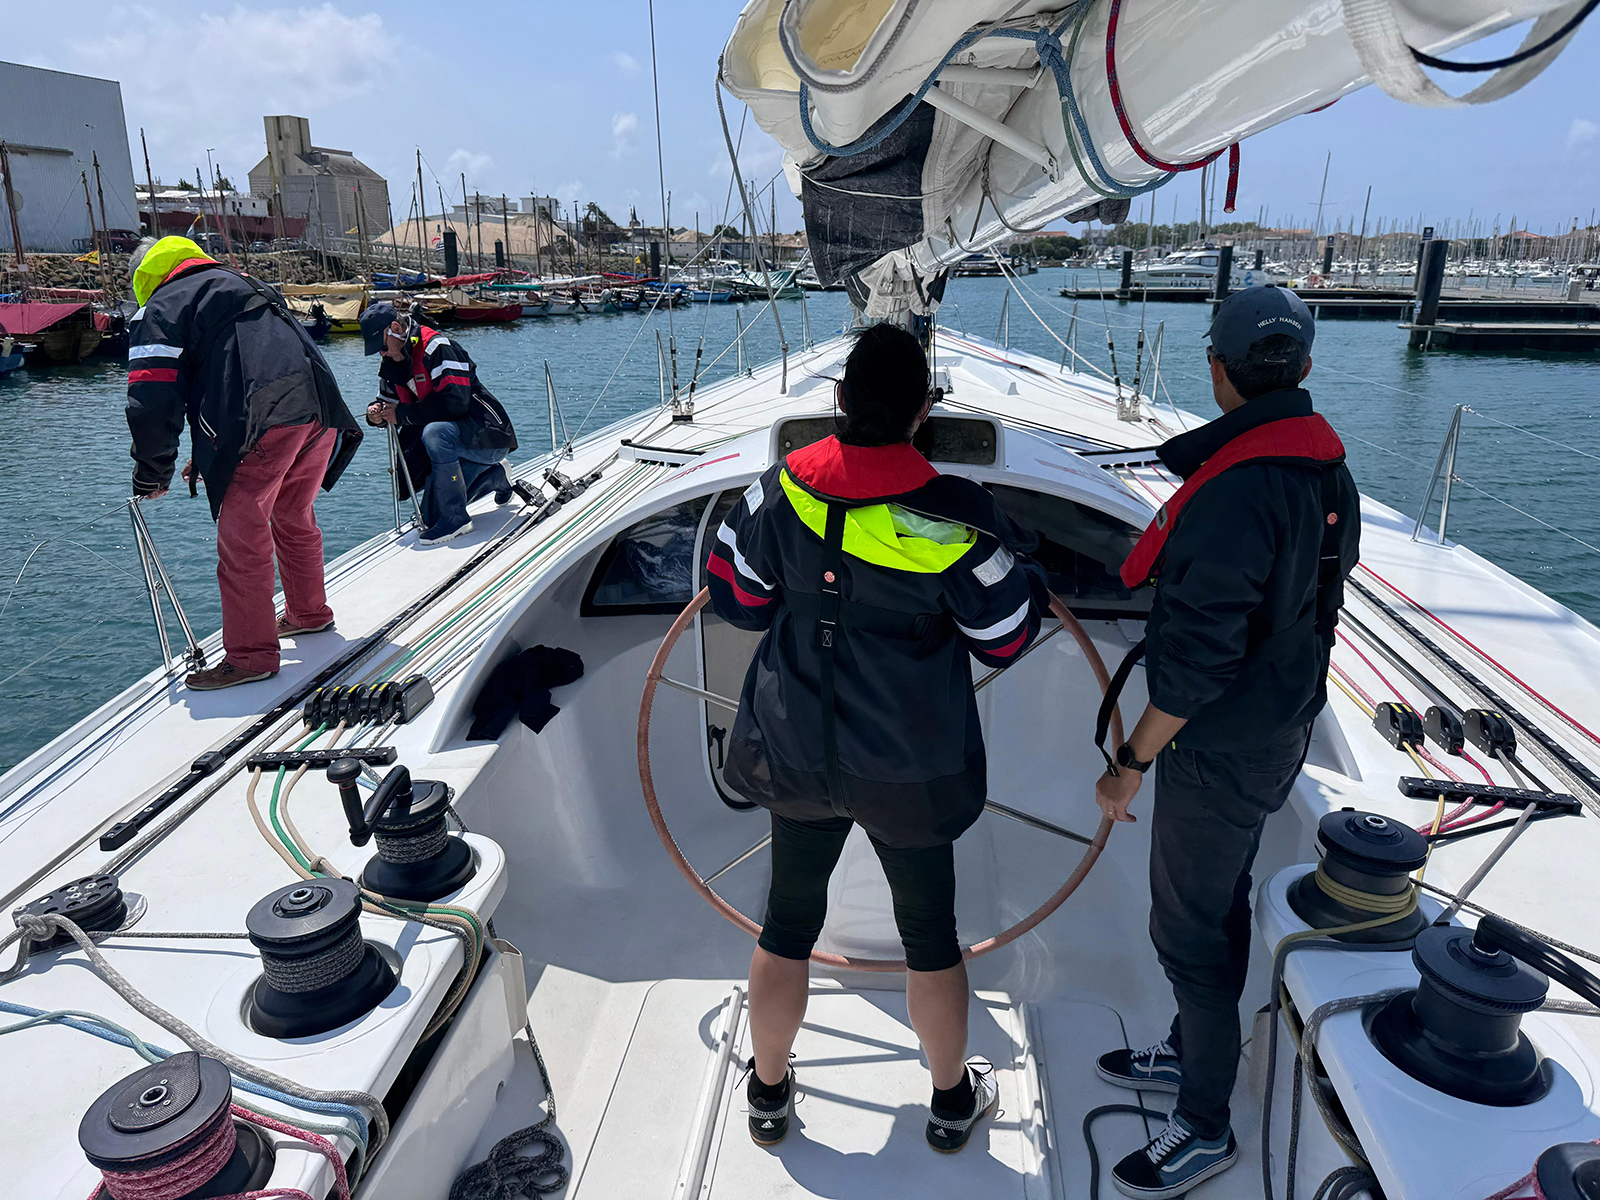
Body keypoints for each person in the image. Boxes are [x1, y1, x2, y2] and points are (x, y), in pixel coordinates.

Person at [705, 323, 1049, 1153]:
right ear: (923, 412)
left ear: (838, 403)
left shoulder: (774, 492)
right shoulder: (960, 515)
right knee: (929, 938)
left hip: (799, 758)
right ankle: (948, 1103)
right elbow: (1004, 636)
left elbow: (734, 599)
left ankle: (769, 1093)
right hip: (909, 769)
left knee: (788, 924)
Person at [1090, 287, 1359, 1199]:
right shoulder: (1329, 473)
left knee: (1190, 929)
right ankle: (1190, 1049)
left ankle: (1204, 1126)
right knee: (1221, 901)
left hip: (1219, 747)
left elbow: (1195, 671)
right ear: (1306, 372)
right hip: (1281, 729)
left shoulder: (1235, 494)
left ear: (1217, 371)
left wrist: (1129, 764)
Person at [124, 236, 363, 692]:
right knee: (293, 515)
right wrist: (210, 453)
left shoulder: (162, 307)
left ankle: (252, 656)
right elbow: (249, 362)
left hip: (262, 420)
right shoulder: (244, 282)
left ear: (147, 280)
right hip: (320, 411)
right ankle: (308, 614)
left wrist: (152, 473)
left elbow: (152, 400)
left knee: (242, 534)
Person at [358, 301, 517, 545]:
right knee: (430, 518)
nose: (381, 353)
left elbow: (455, 404)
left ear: (395, 328)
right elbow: (388, 403)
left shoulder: (438, 348)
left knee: (435, 432)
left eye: (380, 346)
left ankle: (456, 520)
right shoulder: (393, 361)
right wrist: (375, 414)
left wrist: (401, 415)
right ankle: (496, 477)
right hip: (452, 443)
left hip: (487, 437)